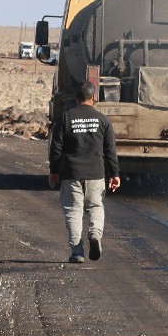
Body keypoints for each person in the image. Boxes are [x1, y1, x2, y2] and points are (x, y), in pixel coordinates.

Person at [49, 81, 120, 264]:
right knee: (95, 207)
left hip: (71, 174)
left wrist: (54, 171)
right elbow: (110, 150)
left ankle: (77, 252)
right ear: (94, 97)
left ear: (75, 98)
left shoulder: (65, 118)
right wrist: (114, 174)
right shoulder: (103, 120)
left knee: (73, 211)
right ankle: (95, 234)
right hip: (96, 174)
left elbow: (56, 148)